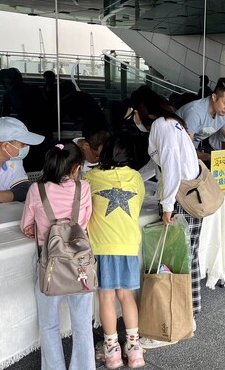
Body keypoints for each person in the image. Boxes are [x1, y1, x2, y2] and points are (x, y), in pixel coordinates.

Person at [129, 85, 203, 348]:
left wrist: (168, 204)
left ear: (142, 110)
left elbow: (170, 166)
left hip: (181, 199)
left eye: (134, 113)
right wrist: (130, 179)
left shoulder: (162, 125)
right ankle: (187, 317)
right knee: (186, 257)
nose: (134, 119)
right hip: (188, 196)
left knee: (178, 259)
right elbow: (156, 165)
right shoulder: (170, 123)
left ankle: (182, 320)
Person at [20, 142, 95, 370]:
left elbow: (26, 225)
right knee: (82, 323)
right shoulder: (84, 188)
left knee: (49, 323)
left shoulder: (37, 189)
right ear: (75, 169)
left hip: (48, 261)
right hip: (80, 262)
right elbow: (86, 220)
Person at [84, 137, 146, 369]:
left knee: (106, 296)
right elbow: (137, 204)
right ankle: (134, 348)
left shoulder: (91, 177)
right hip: (128, 245)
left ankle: (111, 351)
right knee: (126, 295)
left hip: (103, 246)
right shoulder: (136, 177)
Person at [177, 77, 225, 170]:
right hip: (174, 151)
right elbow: (185, 149)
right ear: (214, 97)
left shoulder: (223, 115)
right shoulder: (195, 113)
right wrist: (212, 157)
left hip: (189, 154)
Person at [0, 117, 44, 202]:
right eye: (23, 144)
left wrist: (0, 196)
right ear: (5, 146)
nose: (27, 147)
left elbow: (23, 190)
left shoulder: (15, 161)